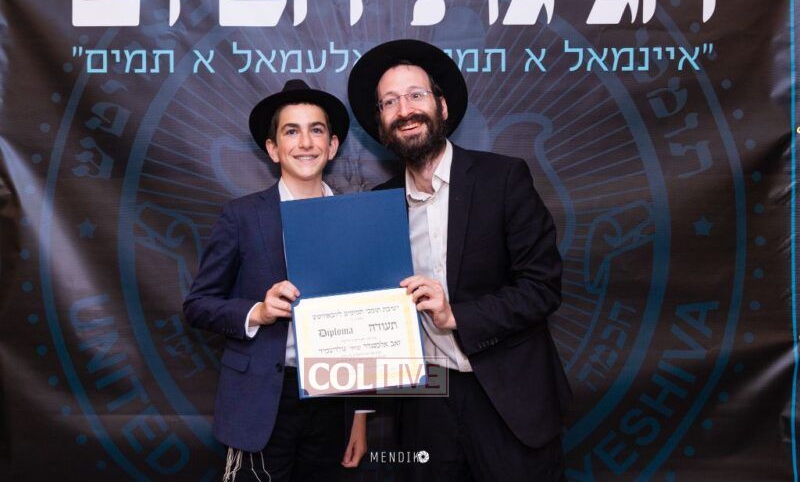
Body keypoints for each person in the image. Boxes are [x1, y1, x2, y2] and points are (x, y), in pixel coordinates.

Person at [348, 40, 572, 481]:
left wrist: (456, 315)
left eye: (416, 95)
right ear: (381, 123)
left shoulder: (503, 179)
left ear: (443, 106)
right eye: (390, 102)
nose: (405, 110)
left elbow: (542, 288)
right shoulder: (378, 206)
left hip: (507, 396)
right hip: (425, 401)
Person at [183, 79, 367, 481]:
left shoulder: (356, 219)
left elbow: (366, 325)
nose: (306, 143)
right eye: (291, 131)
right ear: (273, 148)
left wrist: (359, 416)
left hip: (333, 399)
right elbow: (197, 305)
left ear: (332, 145)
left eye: (316, 130)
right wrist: (258, 312)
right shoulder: (241, 216)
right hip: (262, 401)